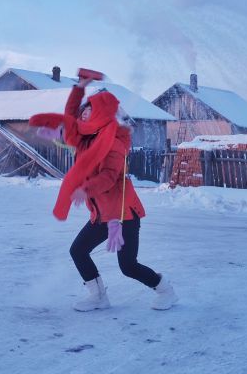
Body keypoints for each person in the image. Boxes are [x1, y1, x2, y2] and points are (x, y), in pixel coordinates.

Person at [30, 75, 177, 311]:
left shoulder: (114, 143)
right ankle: (98, 297)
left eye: (88, 110)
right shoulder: (87, 140)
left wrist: (84, 189)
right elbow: (69, 119)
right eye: (83, 110)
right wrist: (79, 88)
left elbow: (109, 177)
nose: (83, 114)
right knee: (78, 250)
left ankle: (165, 289)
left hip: (123, 216)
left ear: (100, 113)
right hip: (100, 216)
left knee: (128, 266)